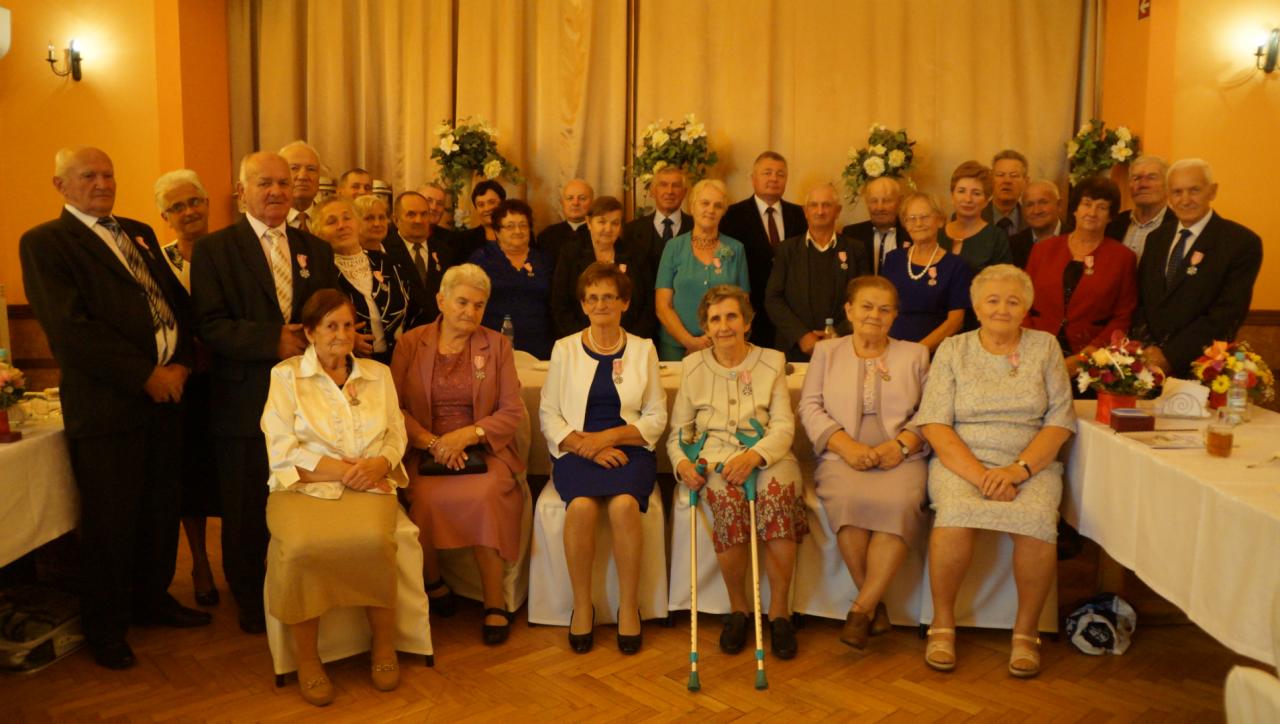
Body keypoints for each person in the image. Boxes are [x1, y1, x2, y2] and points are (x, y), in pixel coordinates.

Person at [20, 147, 209, 670]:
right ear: (61, 185)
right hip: (109, 407)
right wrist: (145, 375)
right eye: (88, 176)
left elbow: (173, 304)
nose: (102, 183)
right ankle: (105, 627)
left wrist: (182, 364)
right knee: (111, 522)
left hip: (168, 398)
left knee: (160, 510)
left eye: (108, 174)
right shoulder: (46, 243)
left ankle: (152, 600)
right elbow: (70, 330)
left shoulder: (137, 231)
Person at [191, 151, 340, 634]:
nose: (276, 191)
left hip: (307, 401)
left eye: (283, 182)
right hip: (243, 402)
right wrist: (270, 340)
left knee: (304, 500)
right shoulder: (214, 250)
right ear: (241, 192)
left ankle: (305, 587)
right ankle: (251, 600)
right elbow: (209, 325)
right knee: (245, 509)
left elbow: (326, 312)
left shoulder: (315, 249)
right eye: (264, 183)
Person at [913, 264, 1076, 679]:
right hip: (962, 462)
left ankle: (1026, 632)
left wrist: (1018, 470)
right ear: (976, 306)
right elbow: (934, 423)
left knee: (1037, 521)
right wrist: (980, 476)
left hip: (1030, 462)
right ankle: (942, 623)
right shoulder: (953, 349)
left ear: (1026, 307)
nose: (1002, 309)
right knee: (953, 517)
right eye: (993, 300)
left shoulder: (1046, 347)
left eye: (1013, 301)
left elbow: (1059, 421)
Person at [260, 290, 409, 706]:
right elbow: (281, 449)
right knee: (300, 548)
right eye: (330, 326)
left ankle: (383, 646)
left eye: (347, 325)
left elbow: (396, 432)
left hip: (372, 483)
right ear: (309, 332)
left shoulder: (378, 374)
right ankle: (308, 660)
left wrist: (381, 462)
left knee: (375, 542)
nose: (341, 335)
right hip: (302, 487)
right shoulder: (286, 376)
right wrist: (346, 472)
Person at [668, 285, 807, 660]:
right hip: (714, 459)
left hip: (769, 455)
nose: (724, 325)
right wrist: (682, 464)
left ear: (747, 322)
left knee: (777, 500)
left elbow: (784, 426)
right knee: (728, 504)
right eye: (715, 319)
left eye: (732, 316)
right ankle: (739, 610)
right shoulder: (693, 366)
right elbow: (679, 433)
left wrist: (755, 456)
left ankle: (780, 613)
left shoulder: (772, 361)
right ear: (705, 327)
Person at [391, 264, 527, 645]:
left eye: (479, 305)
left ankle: (494, 601)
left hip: (484, 448)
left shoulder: (497, 346)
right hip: (425, 449)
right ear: (441, 301)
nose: (470, 311)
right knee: (424, 497)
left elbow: (511, 411)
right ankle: (433, 582)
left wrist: (468, 435)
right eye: (462, 302)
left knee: (487, 494)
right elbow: (393, 408)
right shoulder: (410, 344)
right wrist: (434, 443)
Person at [539, 263, 668, 654]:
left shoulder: (643, 349)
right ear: (583, 304)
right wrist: (585, 446)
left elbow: (656, 417)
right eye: (592, 298)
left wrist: (608, 438)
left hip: (630, 447)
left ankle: (629, 606)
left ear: (624, 302)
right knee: (581, 507)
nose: (600, 304)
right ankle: (582, 606)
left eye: (609, 297)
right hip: (576, 448)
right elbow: (549, 414)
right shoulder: (564, 349)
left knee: (624, 506)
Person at [798, 276, 930, 650]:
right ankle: (872, 607)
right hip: (841, 452)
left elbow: (931, 411)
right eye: (867, 307)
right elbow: (809, 405)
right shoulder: (827, 352)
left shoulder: (915, 354)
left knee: (900, 502)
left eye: (885, 309)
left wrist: (902, 446)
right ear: (849, 310)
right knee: (847, 502)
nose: (875, 315)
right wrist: (845, 446)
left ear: (895, 315)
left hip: (902, 456)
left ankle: (862, 609)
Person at [154, 168, 221, 607]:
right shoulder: (156, 261)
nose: (188, 211)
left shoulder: (230, 251)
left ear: (208, 203)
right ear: (165, 217)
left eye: (194, 201)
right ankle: (200, 562)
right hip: (182, 385)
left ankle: (246, 560)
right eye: (176, 207)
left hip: (230, 381)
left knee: (236, 475)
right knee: (190, 477)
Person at [1131, 158, 1263, 378]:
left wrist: (1170, 356)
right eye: (1177, 192)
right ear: (1168, 195)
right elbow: (1143, 300)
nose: (1185, 200)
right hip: (1147, 367)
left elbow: (1227, 314)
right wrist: (1145, 350)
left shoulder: (1240, 243)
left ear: (1212, 191)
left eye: (1194, 190)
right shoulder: (1156, 238)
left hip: (1201, 369)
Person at [1024, 176, 1137, 369]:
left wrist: (1086, 357)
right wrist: (1032, 345)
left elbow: (1123, 316)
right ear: (1075, 209)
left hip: (1092, 359)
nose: (1092, 212)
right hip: (1036, 350)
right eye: (1087, 204)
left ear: (1110, 216)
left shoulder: (1123, 258)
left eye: (1102, 207)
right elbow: (1022, 301)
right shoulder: (1042, 250)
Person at [765, 183, 870, 360]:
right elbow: (773, 299)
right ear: (805, 211)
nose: (820, 211)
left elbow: (864, 299)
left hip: (844, 347)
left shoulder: (856, 249)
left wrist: (837, 333)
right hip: (795, 349)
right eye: (814, 205)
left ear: (837, 211)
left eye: (826, 205)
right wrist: (801, 335)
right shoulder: (787, 250)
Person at [313, 196, 423, 363]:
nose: (342, 225)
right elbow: (314, 322)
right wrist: (344, 337)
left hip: (398, 361)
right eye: (331, 222)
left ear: (357, 224)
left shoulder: (389, 264)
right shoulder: (320, 273)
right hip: (344, 364)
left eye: (347, 218)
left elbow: (414, 312)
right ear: (317, 233)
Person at [719, 151, 808, 349]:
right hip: (751, 313)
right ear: (753, 178)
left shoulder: (801, 215)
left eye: (780, 174)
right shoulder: (731, 216)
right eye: (767, 173)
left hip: (792, 315)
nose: (774, 179)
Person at [655, 179, 750, 361]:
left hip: (724, 345)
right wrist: (689, 341)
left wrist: (716, 338)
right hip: (678, 348)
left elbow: (743, 304)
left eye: (718, 206)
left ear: (724, 212)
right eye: (705, 203)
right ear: (692, 206)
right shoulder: (673, 247)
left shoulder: (736, 249)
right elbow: (662, 306)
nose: (711, 210)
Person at [551, 196, 655, 339]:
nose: (608, 229)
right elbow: (559, 304)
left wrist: (631, 340)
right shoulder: (571, 254)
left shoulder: (635, 254)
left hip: (630, 339)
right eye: (602, 222)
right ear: (589, 222)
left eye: (615, 223)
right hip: (581, 340)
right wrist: (584, 339)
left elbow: (648, 304)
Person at [881, 192, 971, 352]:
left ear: (940, 220)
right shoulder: (893, 259)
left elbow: (955, 322)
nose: (918, 223)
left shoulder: (956, 265)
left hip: (937, 353)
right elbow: (882, 307)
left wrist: (918, 351)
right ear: (905, 224)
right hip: (891, 349)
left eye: (924, 217)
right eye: (911, 218)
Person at [468, 199, 555, 359]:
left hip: (540, 345)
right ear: (497, 231)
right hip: (491, 344)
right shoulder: (482, 259)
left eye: (523, 225)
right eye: (510, 226)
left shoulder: (544, 260)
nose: (518, 231)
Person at [384, 190, 452, 324]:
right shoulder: (385, 251)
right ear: (396, 220)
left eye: (424, 214)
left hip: (437, 328)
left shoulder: (444, 251)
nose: (419, 220)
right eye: (411, 214)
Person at [942, 161, 1015, 275]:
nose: (968, 199)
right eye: (961, 191)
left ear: (986, 200)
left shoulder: (996, 238)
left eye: (976, 193)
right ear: (952, 195)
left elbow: (1005, 280)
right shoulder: (936, 234)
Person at [1104, 155, 1176, 262]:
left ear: (1168, 184)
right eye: (1136, 178)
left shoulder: (1178, 226)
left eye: (1151, 177)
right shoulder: (1113, 223)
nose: (1143, 184)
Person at [622, 165, 693, 267]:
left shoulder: (697, 227)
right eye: (663, 185)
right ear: (653, 191)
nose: (669, 191)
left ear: (684, 192)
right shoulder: (631, 230)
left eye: (676, 186)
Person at [840, 176, 907, 275]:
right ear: (867, 203)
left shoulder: (911, 234)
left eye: (887, 201)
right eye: (874, 201)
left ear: (899, 202)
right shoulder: (851, 235)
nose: (879, 208)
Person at [536, 179, 593, 265]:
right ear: (562, 203)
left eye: (582, 198)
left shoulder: (601, 235)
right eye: (570, 198)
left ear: (592, 203)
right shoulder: (547, 236)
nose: (575, 203)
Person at [1008, 180, 1063, 268]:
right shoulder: (1012, 246)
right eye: (1029, 205)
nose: (1036, 211)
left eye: (1043, 202)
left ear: (1059, 205)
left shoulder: (1077, 239)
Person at [453, 180, 507, 261]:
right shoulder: (464, 240)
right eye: (481, 205)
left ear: (503, 203)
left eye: (491, 202)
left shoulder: (518, 234)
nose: (487, 208)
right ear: (476, 209)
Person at [280, 140, 323, 233]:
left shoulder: (330, 218)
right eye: (294, 168)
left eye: (311, 169)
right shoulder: (264, 220)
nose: (303, 176)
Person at [983, 150, 1029, 236]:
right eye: (1000, 175)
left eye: (1014, 175)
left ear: (1026, 182)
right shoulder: (973, 217)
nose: (1007, 181)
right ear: (990, 180)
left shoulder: (1033, 219)